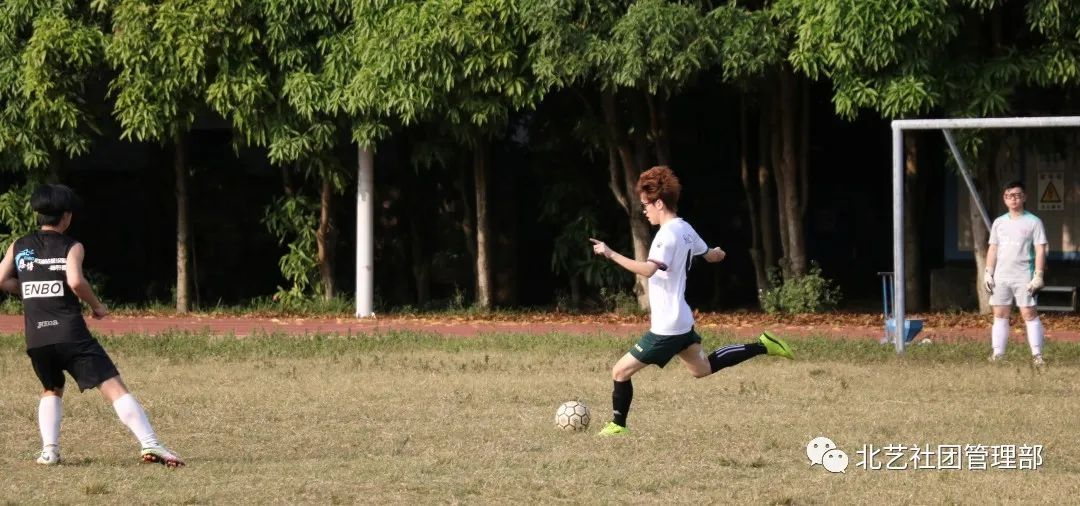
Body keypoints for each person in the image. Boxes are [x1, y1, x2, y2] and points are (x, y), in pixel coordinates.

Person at [588, 166, 794, 436]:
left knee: (619, 371)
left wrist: (610, 253)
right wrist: (718, 252)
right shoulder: (685, 229)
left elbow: (648, 270)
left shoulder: (665, 236)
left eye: (645, 205)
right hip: (682, 319)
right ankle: (763, 345)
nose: (644, 211)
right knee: (702, 369)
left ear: (659, 203)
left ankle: (618, 425)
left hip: (667, 327)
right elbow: (710, 255)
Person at [0, 184, 185, 467]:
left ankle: (49, 452)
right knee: (113, 385)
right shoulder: (71, 246)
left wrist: (26, 289)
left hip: (36, 337)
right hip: (70, 334)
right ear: (66, 217)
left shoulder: (19, 245)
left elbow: (2, 280)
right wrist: (97, 306)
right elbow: (75, 281)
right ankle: (150, 442)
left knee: (51, 387)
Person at [983, 180, 1048, 367]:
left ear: (1024, 197)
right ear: (1005, 198)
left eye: (1018, 195)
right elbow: (993, 249)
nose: (1014, 199)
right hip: (1001, 276)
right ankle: (998, 354)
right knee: (1000, 314)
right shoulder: (999, 222)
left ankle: (1037, 355)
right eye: (1010, 196)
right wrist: (988, 272)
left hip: (1024, 275)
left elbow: (1040, 250)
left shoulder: (1034, 222)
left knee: (1029, 314)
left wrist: (1038, 275)